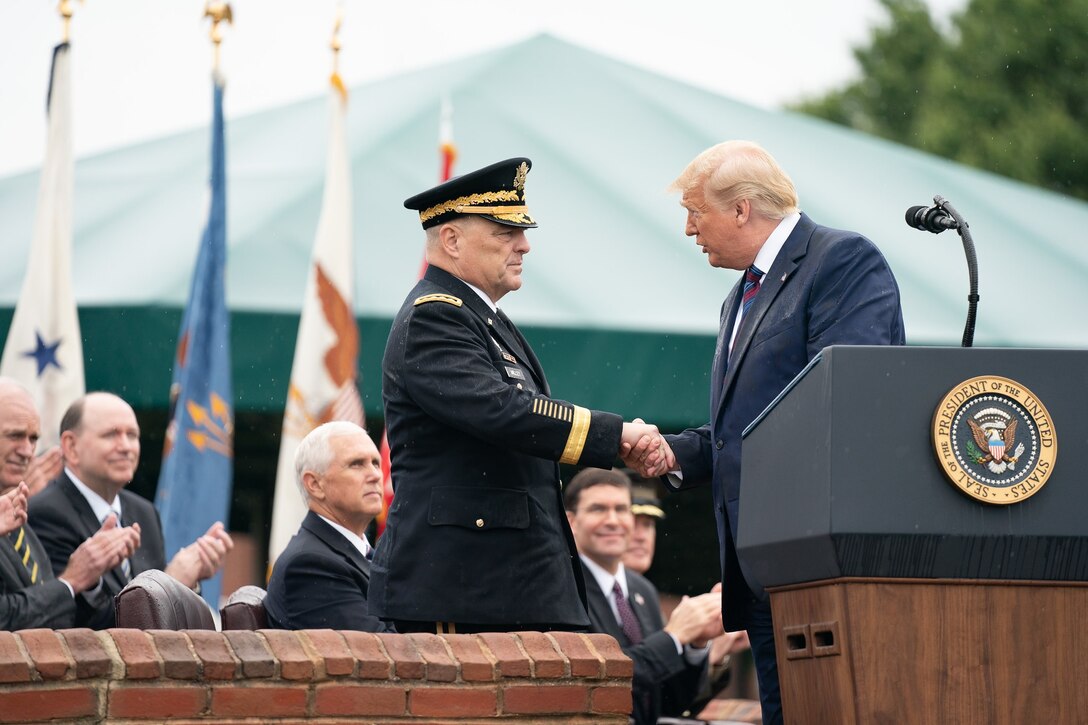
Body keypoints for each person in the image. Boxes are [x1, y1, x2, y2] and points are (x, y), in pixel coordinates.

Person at [630, 140, 905, 724]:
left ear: (741, 208)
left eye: (695, 211)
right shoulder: (741, 297)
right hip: (766, 568)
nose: (687, 229)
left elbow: (844, 404)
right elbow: (743, 431)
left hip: (823, 560)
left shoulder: (842, 260)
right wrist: (670, 454)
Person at [370, 157, 666, 634]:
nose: (524, 245)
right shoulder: (435, 316)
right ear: (451, 239)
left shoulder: (480, 316)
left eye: (521, 231)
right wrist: (615, 436)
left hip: (501, 582)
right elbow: (502, 411)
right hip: (462, 585)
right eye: (505, 232)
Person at [28, 392, 233, 629]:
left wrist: (187, 581)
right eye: (111, 435)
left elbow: (166, 631)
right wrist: (169, 583)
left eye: (132, 435)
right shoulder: (45, 514)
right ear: (71, 446)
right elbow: (83, 626)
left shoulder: (144, 512)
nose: (126, 447)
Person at [564, 467, 722, 725]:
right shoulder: (565, 588)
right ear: (571, 522)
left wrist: (696, 643)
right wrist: (673, 638)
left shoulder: (641, 590)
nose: (613, 520)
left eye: (622, 509)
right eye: (598, 509)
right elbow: (601, 683)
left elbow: (670, 701)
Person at [0, 379, 139, 630]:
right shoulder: (45, 511)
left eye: (33, 439)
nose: (27, 450)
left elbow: (59, 625)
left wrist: (85, 578)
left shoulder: (20, 523)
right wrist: (71, 581)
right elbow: (6, 619)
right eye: (15, 436)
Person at [266, 421, 393, 631]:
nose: (376, 475)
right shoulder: (309, 565)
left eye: (376, 463)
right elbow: (388, 655)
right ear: (315, 484)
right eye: (357, 464)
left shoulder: (364, 556)